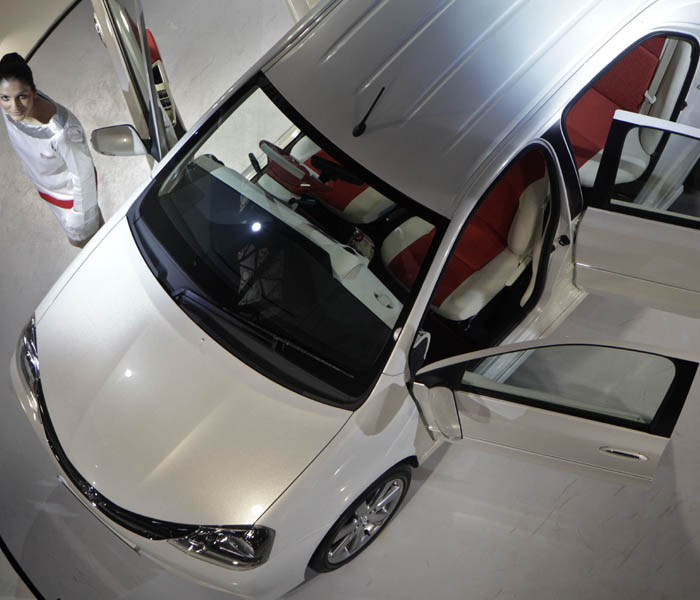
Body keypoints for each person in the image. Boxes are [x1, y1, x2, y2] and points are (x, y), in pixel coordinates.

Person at [0, 52, 102, 247]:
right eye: (5, 98)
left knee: (91, 245)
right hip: (48, 190)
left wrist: (80, 223)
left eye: (22, 96)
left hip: (70, 200)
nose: (14, 107)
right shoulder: (9, 107)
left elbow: (85, 178)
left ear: (34, 92)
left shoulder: (63, 133)